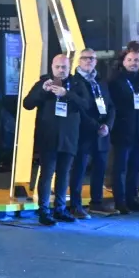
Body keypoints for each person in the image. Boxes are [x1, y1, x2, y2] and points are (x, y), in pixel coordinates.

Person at [22, 54, 89, 226]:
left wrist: (67, 94)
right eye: (57, 67)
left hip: (69, 136)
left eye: (64, 67)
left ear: (69, 67)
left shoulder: (77, 84)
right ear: (52, 67)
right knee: (47, 174)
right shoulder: (44, 83)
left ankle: (60, 209)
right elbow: (27, 104)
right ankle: (44, 210)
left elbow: (86, 105)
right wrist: (42, 91)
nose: (60, 70)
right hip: (48, 136)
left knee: (64, 174)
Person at [68, 49, 114, 217]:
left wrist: (107, 125)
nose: (89, 61)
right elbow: (80, 109)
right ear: (79, 61)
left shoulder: (100, 81)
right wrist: (96, 126)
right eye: (85, 58)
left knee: (100, 168)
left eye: (92, 58)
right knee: (79, 170)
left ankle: (97, 202)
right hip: (84, 132)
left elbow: (111, 106)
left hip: (102, 133)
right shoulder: (74, 82)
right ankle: (75, 205)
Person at [108, 43, 139, 215]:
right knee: (120, 168)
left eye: (136, 60)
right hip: (123, 128)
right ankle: (120, 201)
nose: (133, 63)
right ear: (123, 61)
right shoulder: (115, 80)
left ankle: (132, 199)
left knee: (136, 166)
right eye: (130, 60)